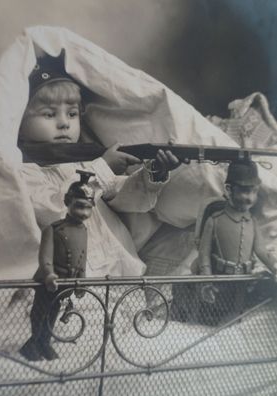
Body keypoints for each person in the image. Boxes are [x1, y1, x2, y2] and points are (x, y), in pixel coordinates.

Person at [19, 51, 181, 279]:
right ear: (19, 122)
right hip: (76, 285)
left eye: (72, 114)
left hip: (122, 275)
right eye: (49, 114)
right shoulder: (23, 172)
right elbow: (54, 210)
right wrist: (103, 167)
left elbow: (129, 199)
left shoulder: (86, 159)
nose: (64, 123)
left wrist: (154, 172)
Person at [20, 170, 96, 361]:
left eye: (88, 207)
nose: (84, 213)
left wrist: (81, 281)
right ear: (67, 202)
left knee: (53, 314)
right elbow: (45, 256)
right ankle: (32, 344)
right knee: (40, 312)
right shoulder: (53, 229)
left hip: (68, 283)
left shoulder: (84, 231)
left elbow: (82, 258)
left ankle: (44, 343)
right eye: (79, 206)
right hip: (50, 282)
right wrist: (49, 275)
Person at [196, 159, 277, 324]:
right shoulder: (215, 220)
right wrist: (206, 280)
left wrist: (275, 267)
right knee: (210, 317)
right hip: (219, 281)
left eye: (254, 191)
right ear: (229, 189)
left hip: (241, 283)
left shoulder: (252, 221)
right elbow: (204, 254)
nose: (250, 198)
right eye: (245, 191)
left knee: (236, 318)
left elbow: (261, 250)